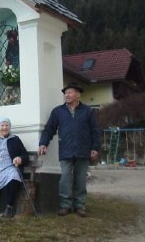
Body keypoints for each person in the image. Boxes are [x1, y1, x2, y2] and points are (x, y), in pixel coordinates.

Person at [38, 83, 100, 217]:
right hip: (66, 149)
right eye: (66, 93)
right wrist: (43, 143)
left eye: (70, 92)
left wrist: (95, 148)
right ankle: (65, 205)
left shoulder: (87, 111)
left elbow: (95, 130)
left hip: (83, 149)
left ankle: (80, 205)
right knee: (65, 178)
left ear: (78, 95)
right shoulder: (58, 111)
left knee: (80, 179)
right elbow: (49, 129)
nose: (67, 95)